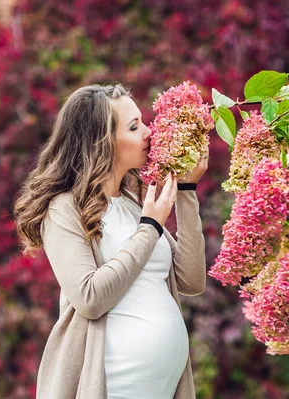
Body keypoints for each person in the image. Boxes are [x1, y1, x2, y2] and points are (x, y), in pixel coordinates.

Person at [13, 83, 208, 399]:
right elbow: (89, 297)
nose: (148, 132)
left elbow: (191, 280)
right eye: (134, 126)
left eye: (142, 121)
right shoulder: (64, 208)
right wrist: (150, 227)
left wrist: (186, 192)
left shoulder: (133, 204)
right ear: (102, 142)